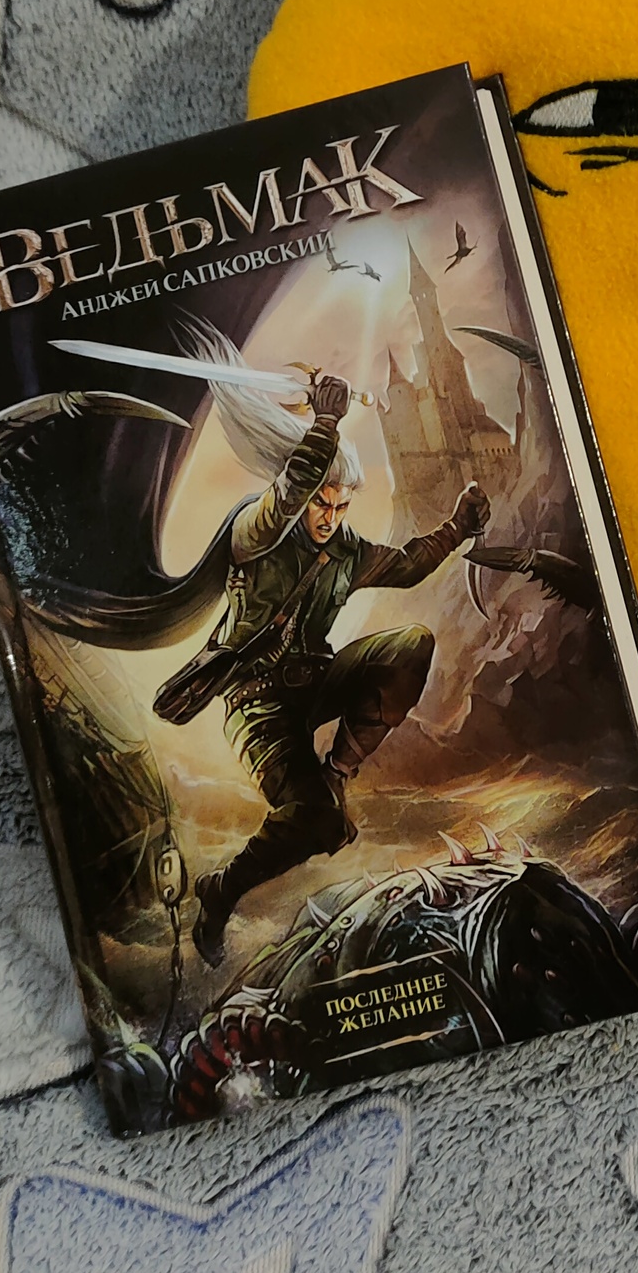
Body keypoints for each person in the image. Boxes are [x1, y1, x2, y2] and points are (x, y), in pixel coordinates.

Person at [175, 371, 490, 960]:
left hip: (316, 682)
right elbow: (290, 491)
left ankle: (337, 773)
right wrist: (324, 423)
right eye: (322, 501)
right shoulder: (258, 533)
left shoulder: (345, 550)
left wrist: (458, 527)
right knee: (317, 823)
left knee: (410, 645)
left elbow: (407, 565)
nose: (330, 515)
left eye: (342, 505)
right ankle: (222, 890)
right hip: (256, 702)